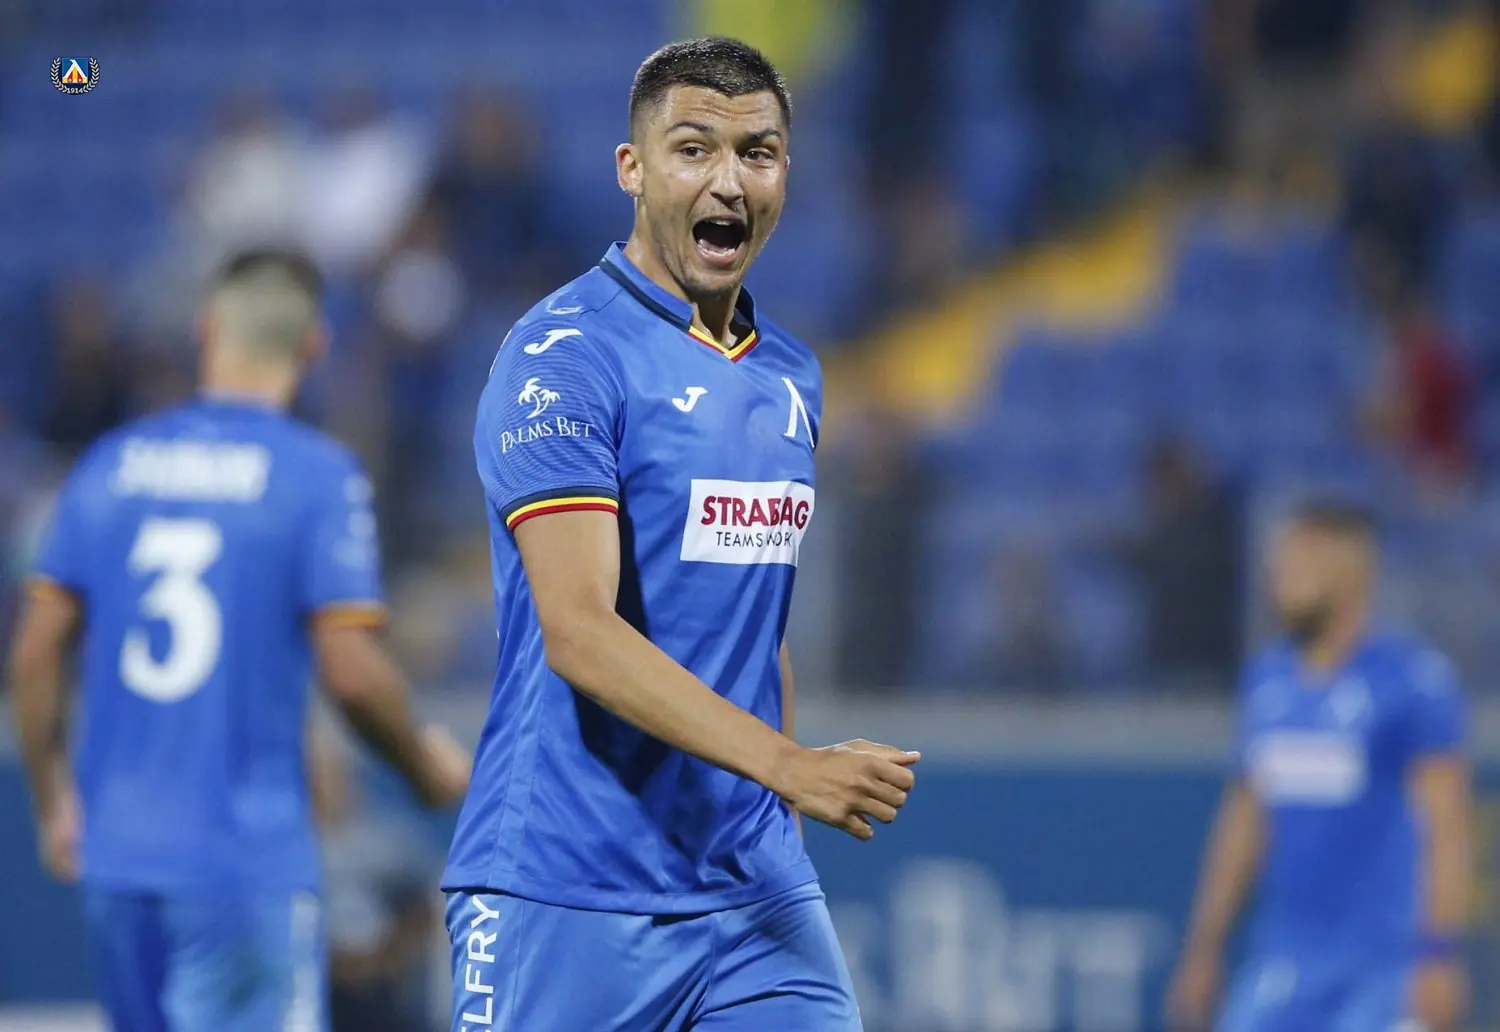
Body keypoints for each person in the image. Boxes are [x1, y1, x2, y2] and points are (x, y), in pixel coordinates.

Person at [442, 37, 920, 1032]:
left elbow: (758, 623)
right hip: (567, 887)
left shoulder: (791, 374)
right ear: (633, 169)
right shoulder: (564, 358)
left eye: (759, 153)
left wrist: (776, 813)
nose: (729, 181)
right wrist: (787, 764)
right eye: (694, 149)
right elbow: (579, 632)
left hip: (752, 889)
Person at [6, 247, 471, 1032]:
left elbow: (34, 654)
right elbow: (352, 674)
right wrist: (422, 762)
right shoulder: (315, 476)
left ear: (206, 330)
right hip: (242, 864)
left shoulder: (109, 467)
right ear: (314, 346)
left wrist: (54, 800)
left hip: (119, 864)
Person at [1166, 501, 1472, 1032]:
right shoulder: (1268, 681)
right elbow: (1244, 823)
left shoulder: (1410, 681)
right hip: (1285, 958)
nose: (1277, 582)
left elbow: (1446, 828)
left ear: (1348, 576)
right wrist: (1205, 945)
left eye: (1296, 567)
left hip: (1384, 968)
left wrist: (1438, 952)